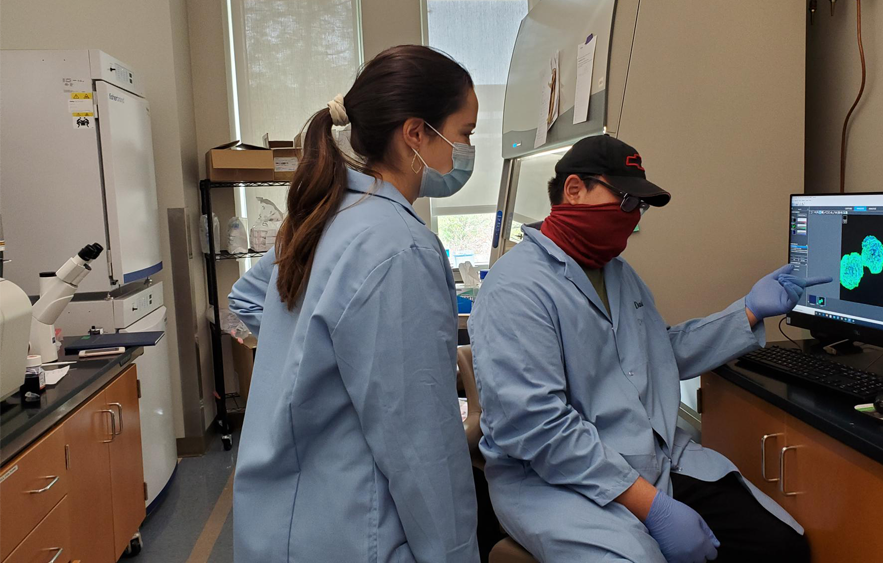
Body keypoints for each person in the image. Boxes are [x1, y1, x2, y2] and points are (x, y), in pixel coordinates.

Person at [469, 135, 830, 563]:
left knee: (778, 546)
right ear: (573, 190)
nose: (632, 217)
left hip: (649, 458)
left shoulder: (618, 274)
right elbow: (538, 429)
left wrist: (748, 312)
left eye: (638, 208)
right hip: (553, 479)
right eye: (625, 202)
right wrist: (651, 506)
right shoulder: (516, 289)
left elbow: (659, 352)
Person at [229, 45, 480, 563]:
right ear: (416, 133)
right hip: (355, 531)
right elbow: (421, 449)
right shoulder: (399, 245)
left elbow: (249, 299)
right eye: (465, 133)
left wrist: (314, 369)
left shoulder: (327, 213)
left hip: (282, 521)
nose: (465, 149)